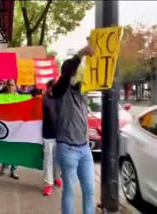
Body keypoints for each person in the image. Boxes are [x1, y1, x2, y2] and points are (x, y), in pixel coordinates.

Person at [52, 45, 95, 214]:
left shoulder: (83, 91)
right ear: (68, 74)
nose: (79, 74)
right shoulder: (60, 90)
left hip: (85, 149)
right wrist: (81, 53)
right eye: (76, 72)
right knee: (69, 191)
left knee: (90, 190)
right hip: (67, 149)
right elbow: (69, 70)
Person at [42, 79, 62, 196]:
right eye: (52, 87)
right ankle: (48, 183)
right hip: (48, 134)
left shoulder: (60, 99)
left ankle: (56, 177)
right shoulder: (43, 100)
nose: (53, 89)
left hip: (59, 135)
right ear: (48, 87)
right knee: (48, 159)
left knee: (57, 158)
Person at [0, 79, 20, 179]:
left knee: (15, 149)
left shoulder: (20, 98)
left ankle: (14, 169)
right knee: (5, 147)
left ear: (15, 86)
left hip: (16, 127)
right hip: (5, 127)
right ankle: (4, 165)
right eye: (9, 85)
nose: (11, 87)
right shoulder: (2, 98)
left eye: (12, 85)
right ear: (6, 86)